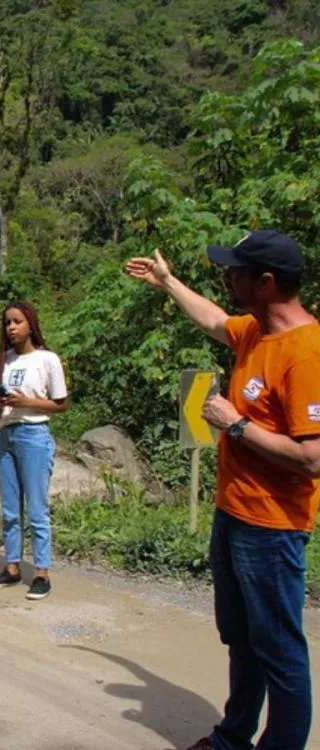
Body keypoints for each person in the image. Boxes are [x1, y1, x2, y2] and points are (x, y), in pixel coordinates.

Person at [127, 231, 319, 750]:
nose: (227, 277)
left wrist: (235, 425)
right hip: (232, 514)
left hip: (273, 527)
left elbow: (313, 459)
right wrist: (168, 282)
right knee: (241, 640)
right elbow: (214, 319)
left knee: (279, 650)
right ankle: (233, 737)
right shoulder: (257, 331)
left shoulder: (306, 353)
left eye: (236, 271)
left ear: (267, 282)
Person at [0, 301, 68, 601]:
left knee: (36, 508)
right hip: (5, 434)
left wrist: (25, 402)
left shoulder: (47, 360)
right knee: (9, 508)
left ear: (30, 323)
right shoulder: (0, 362)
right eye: (7, 323)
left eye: (17, 321)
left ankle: (42, 572)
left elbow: (61, 404)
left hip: (34, 434)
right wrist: (2, 401)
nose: (12, 328)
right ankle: (12, 566)